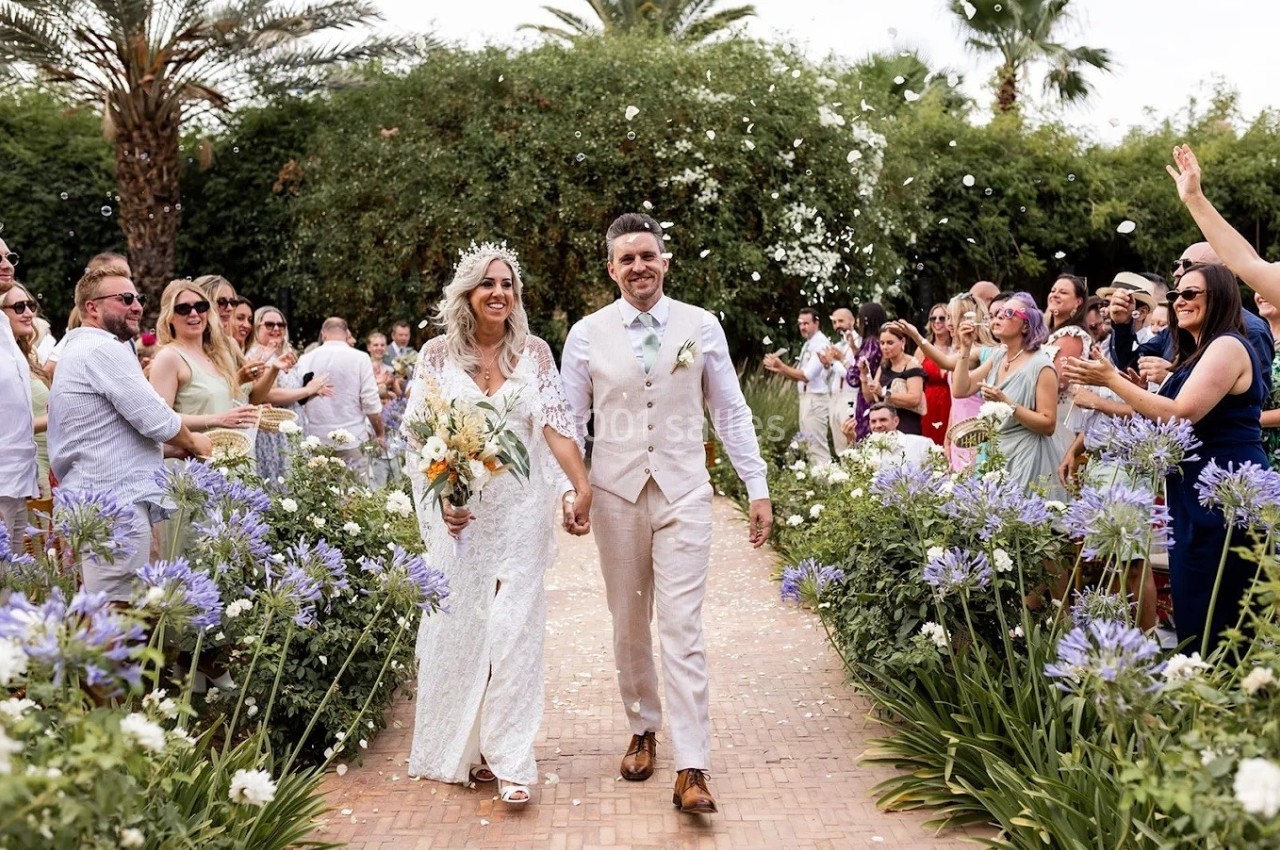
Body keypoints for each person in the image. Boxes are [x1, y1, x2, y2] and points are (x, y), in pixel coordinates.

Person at [561, 213, 772, 816]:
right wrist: (570, 490)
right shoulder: (586, 333)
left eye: (647, 255)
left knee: (682, 628)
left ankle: (692, 767)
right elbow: (570, 423)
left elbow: (730, 411)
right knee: (629, 623)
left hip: (684, 493)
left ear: (665, 260)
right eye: (626, 259)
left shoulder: (700, 326)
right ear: (611, 269)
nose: (639, 267)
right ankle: (643, 727)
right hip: (616, 494)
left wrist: (756, 485)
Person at [404, 243, 591, 807]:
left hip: (522, 513)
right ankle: (469, 747)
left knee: (513, 629)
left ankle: (512, 758)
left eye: (507, 284)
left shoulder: (533, 353)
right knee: (462, 630)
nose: (499, 293)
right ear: (467, 293)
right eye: (488, 284)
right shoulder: (437, 355)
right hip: (462, 518)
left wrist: (578, 486)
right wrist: (445, 501)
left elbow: (555, 425)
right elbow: (419, 434)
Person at [1064, 264, 1267, 654]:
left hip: (1226, 490)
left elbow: (1179, 414)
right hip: (1193, 488)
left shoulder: (1227, 345)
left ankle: (1227, 701)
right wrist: (1136, 392)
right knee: (1196, 601)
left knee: (1220, 607)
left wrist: (1110, 381)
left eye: (1191, 294)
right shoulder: (1196, 354)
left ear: (1221, 297)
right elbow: (1163, 412)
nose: (1179, 302)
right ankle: (1201, 698)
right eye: (1175, 295)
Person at [47, 264, 210, 599]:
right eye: (125, 299)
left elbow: (107, 435)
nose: (137, 306)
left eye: (138, 298)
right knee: (116, 610)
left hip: (98, 500)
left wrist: (172, 451)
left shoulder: (83, 348)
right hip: (114, 505)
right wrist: (196, 443)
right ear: (92, 307)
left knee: (105, 608)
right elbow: (156, 419)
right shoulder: (101, 348)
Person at [952, 292, 1062, 498]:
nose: (999, 316)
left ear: (1026, 326)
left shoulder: (1041, 365)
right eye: (999, 312)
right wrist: (965, 348)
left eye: (1009, 312)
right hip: (996, 453)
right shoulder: (998, 355)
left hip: (1027, 456)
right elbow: (960, 389)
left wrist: (1006, 403)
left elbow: (1048, 424)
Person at [148, 280, 262, 433]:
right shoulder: (169, 357)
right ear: (169, 316)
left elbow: (220, 405)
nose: (194, 313)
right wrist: (217, 419)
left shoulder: (216, 354)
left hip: (224, 452)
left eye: (200, 307)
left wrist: (250, 413)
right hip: (189, 455)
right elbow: (159, 419)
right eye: (183, 309)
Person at [248, 306, 332, 484]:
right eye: (269, 325)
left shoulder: (287, 354)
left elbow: (292, 394)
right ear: (256, 328)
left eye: (281, 324)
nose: (276, 329)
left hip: (294, 427)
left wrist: (312, 392)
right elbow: (268, 395)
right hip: (273, 433)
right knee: (279, 483)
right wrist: (307, 390)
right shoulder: (257, 356)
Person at [295, 317, 384, 477]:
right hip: (353, 437)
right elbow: (370, 401)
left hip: (317, 439)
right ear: (346, 333)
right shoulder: (360, 358)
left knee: (320, 497)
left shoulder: (306, 359)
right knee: (355, 496)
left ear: (323, 334)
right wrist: (380, 433)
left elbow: (298, 397)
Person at [0, 238, 38, 548]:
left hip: (18, 479)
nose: (7, 264)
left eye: (9, 256)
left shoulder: (3, 325)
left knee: (11, 584)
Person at [763, 307, 831, 463]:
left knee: (817, 447)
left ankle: (826, 485)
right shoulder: (808, 344)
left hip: (816, 399)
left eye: (806, 323)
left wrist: (782, 366)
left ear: (817, 323)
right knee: (808, 445)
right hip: (807, 398)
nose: (803, 327)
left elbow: (807, 376)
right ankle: (818, 483)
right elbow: (799, 375)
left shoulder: (820, 344)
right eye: (800, 324)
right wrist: (780, 369)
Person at [3, 284, 52, 501]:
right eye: (19, 307)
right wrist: (53, 419)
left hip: (49, 465)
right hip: (26, 472)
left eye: (31, 305)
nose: (29, 313)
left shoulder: (27, 357)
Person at [861, 325, 927, 436]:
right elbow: (870, 398)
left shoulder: (912, 365)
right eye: (882, 343)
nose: (885, 347)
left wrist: (884, 393)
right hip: (884, 425)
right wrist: (863, 375)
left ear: (902, 342)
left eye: (890, 343)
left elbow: (915, 399)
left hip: (907, 423)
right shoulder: (883, 366)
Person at [842, 302, 889, 443]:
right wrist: (853, 348)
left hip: (868, 396)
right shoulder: (876, 342)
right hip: (874, 393)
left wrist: (841, 360)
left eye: (859, 317)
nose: (857, 322)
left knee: (867, 441)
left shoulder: (871, 342)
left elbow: (854, 377)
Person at [842, 402, 937, 466]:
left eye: (883, 420)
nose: (878, 425)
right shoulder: (866, 450)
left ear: (896, 421)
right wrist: (850, 440)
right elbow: (854, 474)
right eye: (873, 421)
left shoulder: (922, 444)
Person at [821, 307, 859, 454]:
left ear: (852, 321)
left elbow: (851, 375)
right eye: (835, 322)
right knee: (839, 447)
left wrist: (833, 362)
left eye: (841, 321)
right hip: (834, 398)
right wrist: (826, 365)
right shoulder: (836, 346)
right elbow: (826, 379)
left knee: (850, 442)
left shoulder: (858, 343)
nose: (837, 325)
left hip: (850, 397)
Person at [918, 303, 953, 445]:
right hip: (929, 403)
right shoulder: (923, 349)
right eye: (933, 318)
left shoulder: (957, 348)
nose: (937, 322)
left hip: (952, 402)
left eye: (942, 318)